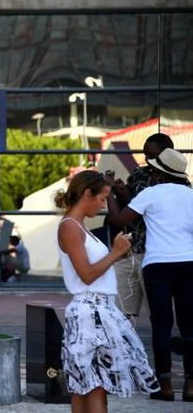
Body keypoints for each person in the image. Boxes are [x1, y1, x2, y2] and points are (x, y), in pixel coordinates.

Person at [55, 170, 159, 413]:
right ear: (86, 194)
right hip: (90, 313)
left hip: (97, 311)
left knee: (89, 385)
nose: (104, 205)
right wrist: (115, 252)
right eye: (102, 198)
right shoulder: (71, 227)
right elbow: (87, 274)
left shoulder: (78, 226)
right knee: (95, 385)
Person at [107, 148, 193, 402]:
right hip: (189, 264)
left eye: (153, 169)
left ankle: (165, 386)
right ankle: (190, 386)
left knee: (162, 325)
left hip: (157, 266)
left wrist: (111, 191)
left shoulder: (151, 193)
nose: (150, 173)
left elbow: (117, 218)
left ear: (158, 172)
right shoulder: (190, 195)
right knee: (189, 324)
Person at [105, 133, 179, 318]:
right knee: (121, 313)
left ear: (166, 155)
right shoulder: (139, 173)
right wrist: (121, 193)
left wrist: (111, 193)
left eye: (151, 155)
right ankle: (125, 346)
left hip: (154, 254)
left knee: (159, 315)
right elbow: (132, 206)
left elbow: (142, 211)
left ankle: (163, 346)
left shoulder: (178, 183)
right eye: (144, 154)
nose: (146, 159)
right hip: (129, 249)